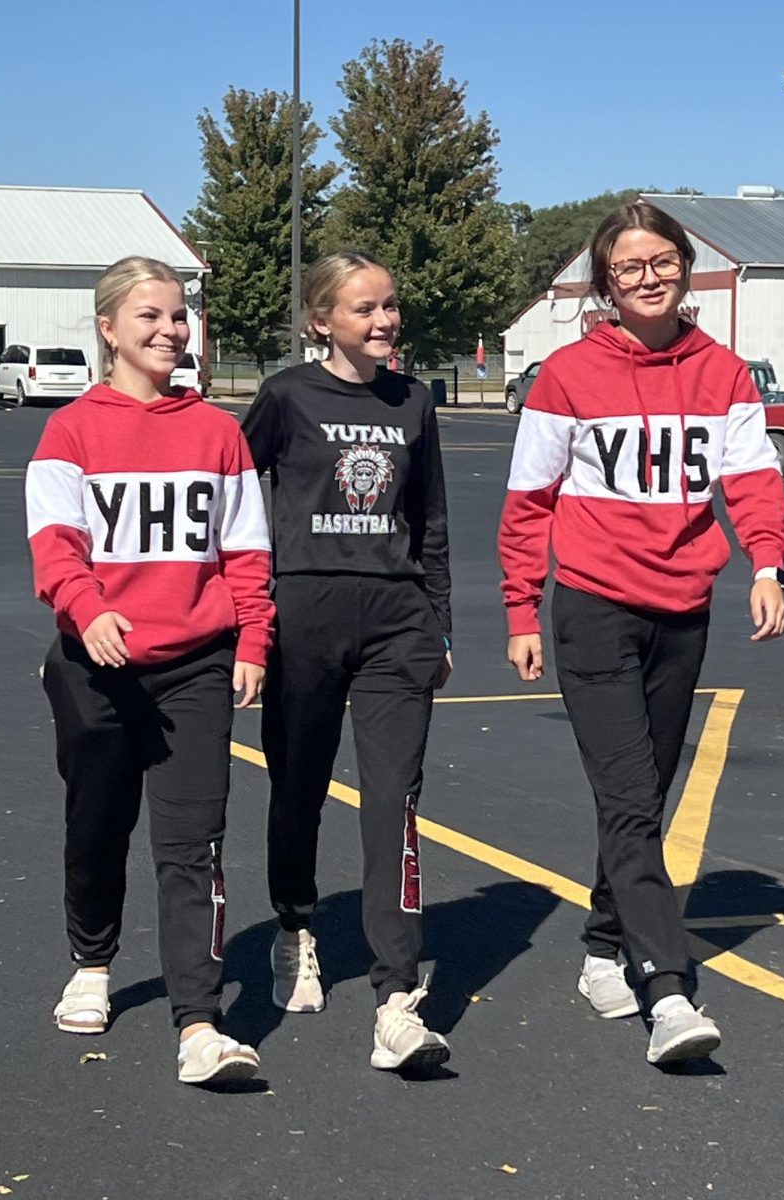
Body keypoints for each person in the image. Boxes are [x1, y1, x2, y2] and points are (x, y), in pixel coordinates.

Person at [497, 202, 784, 1065]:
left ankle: (598, 942)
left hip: (682, 611)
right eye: (628, 268)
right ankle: (666, 988)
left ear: (684, 268)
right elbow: (527, 503)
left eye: (661, 261)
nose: (648, 277)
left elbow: (751, 485)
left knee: (646, 793)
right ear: (605, 284)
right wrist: (521, 608)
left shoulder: (724, 374)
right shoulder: (565, 376)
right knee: (628, 797)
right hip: (592, 607)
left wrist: (765, 565)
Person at [25, 256, 274, 1085]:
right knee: (98, 825)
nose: (170, 330)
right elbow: (55, 545)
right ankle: (91, 963)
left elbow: (244, 551)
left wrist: (251, 642)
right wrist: (88, 608)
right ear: (108, 330)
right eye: (150, 317)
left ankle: (199, 1023)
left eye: (178, 317)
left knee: (193, 844)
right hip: (97, 666)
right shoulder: (70, 430)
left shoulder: (217, 432)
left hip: (196, 667)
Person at [241, 250, 453, 1072]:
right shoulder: (287, 396)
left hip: (395, 622)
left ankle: (396, 992)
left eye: (390, 305)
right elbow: (226, 489)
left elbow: (429, 518)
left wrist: (437, 623)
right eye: (365, 309)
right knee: (297, 787)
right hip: (304, 619)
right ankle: (294, 926)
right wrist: (246, 605)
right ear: (321, 320)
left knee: (392, 800)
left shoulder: (415, 402)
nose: (384, 320)